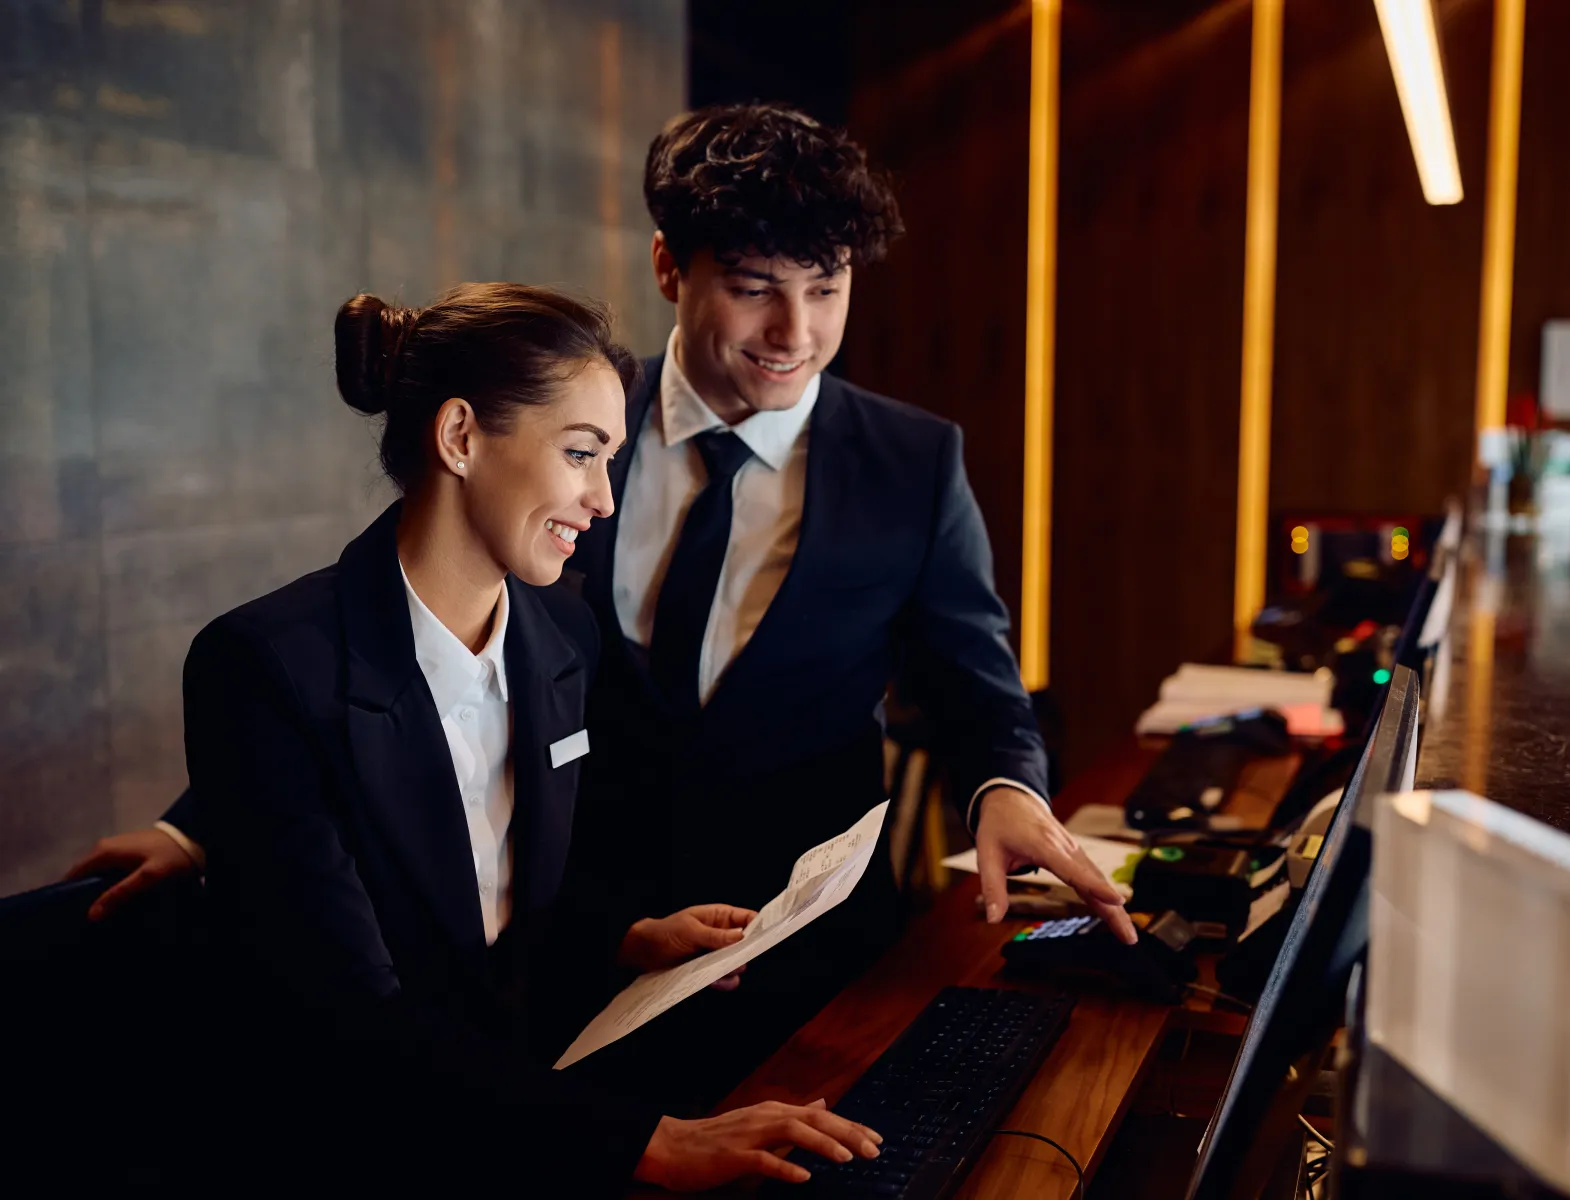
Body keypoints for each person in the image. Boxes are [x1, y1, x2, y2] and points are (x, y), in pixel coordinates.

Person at [73, 103, 1134, 1111]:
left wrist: (1007, 786)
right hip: (573, 942)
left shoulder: (912, 462)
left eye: (826, 289)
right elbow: (381, 655)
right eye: (757, 286)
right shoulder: (555, 410)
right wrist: (213, 822)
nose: (793, 332)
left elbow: (975, 681)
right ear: (672, 266)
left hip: (798, 954)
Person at [146, 282, 879, 1192]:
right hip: (355, 1145)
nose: (603, 500)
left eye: (608, 460)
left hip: (526, 1104)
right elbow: (357, 1018)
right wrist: (648, 1141)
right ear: (459, 438)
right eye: (580, 454)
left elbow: (494, 905)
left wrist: (625, 939)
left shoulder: (561, 637)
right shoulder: (261, 667)